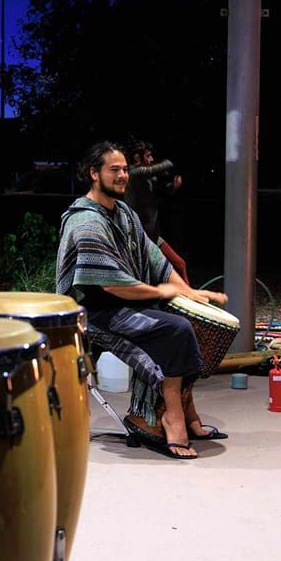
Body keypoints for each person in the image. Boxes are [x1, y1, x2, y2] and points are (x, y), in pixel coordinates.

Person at [57, 140, 228, 460]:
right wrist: (163, 293)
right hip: (97, 312)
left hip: (128, 303)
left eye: (125, 169)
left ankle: (177, 409)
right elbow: (111, 286)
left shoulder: (123, 213)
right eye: (114, 170)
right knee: (175, 329)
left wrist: (189, 294)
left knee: (190, 320)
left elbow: (156, 262)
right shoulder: (86, 220)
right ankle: (170, 415)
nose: (123, 175)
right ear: (94, 174)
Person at [125, 138, 191, 284]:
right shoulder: (134, 173)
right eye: (148, 155)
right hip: (139, 238)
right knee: (149, 277)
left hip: (152, 235)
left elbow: (161, 190)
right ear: (137, 157)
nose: (151, 159)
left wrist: (173, 186)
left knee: (180, 264)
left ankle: (191, 297)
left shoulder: (145, 178)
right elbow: (161, 166)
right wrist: (169, 162)